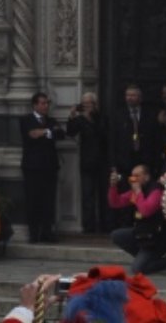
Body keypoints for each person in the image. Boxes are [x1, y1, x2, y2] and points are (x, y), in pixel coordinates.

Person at [108, 164, 166, 275]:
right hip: (142, 234)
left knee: (137, 269)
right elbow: (115, 203)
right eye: (132, 176)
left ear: (146, 177)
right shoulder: (137, 192)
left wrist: (138, 193)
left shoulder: (156, 190)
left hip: (157, 238)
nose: (133, 179)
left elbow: (146, 211)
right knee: (116, 235)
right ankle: (145, 258)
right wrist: (113, 186)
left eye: (137, 176)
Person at [20, 92, 61, 243]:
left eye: (47, 103)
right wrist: (49, 131)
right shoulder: (26, 120)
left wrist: (44, 132)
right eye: (42, 103)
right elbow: (32, 135)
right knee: (33, 201)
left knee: (48, 201)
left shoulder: (51, 120)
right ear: (35, 105)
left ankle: (47, 232)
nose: (45, 106)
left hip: (50, 166)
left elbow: (60, 134)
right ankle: (33, 233)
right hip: (32, 167)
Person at [67, 92, 111, 232]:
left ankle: (105, 225)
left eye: (89, 103)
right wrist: (72, 116)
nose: (87, 106)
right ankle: (89, 226)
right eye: (84, 104)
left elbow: (104, 134)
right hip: (87, 162)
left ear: (95, 104)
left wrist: (91, 118)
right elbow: (70, 132)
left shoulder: (102, 117)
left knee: (104, 195)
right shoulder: (80, 119)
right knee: (87, 195)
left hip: (102, 162)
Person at [113, 85, 166, 188]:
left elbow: (156, 138)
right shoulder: (118, 115)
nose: (129, 98)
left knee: (145, 190)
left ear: (140, 97)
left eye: (133, 95)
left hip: (146, 161)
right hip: (125, 163)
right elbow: (114, 139)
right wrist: (114, 163)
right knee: (127, 190)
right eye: (127, 95)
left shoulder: (150, 114)